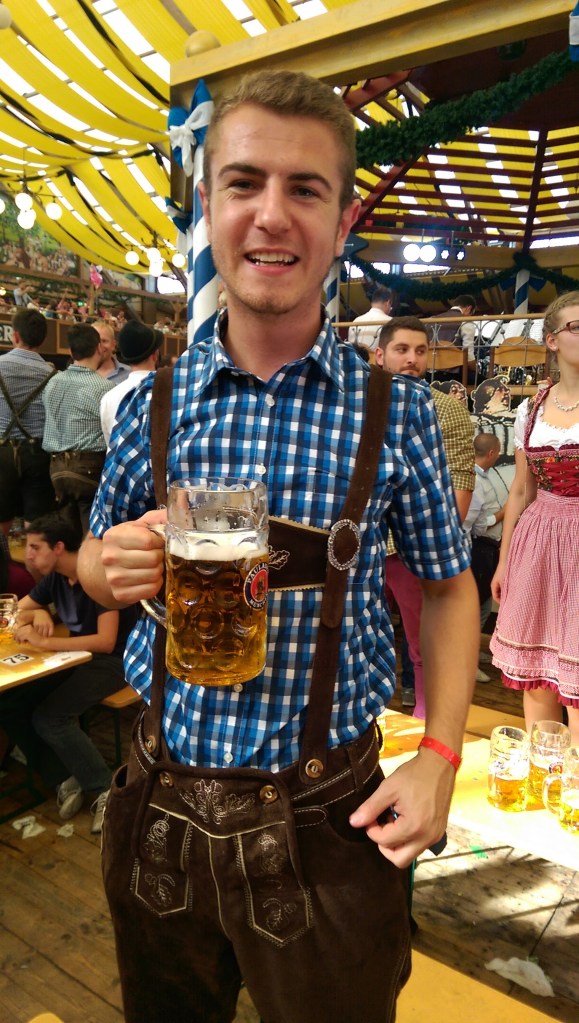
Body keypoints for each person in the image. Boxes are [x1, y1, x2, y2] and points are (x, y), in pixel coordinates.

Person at [77, 70, 478, 1023]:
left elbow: (451, 591)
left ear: (341, 225)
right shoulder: (152, 405)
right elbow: (98, 560)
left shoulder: (398, 411)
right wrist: (109, 562)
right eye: (243, 183)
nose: (271, 215)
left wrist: (442, 755)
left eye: (305, 189)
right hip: (159, 808)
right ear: (209, 207)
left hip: (327, 822)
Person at [5, 513, 136, 832]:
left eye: (36, 547)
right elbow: (14, 611)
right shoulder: (56, 579)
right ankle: (66, 777)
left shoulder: (97, 574)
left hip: (115, 663)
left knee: (51, 717)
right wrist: (35, 615)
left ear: (59, 547)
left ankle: (106, 792)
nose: (29, 556)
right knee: (10, 704)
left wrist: (45, 641)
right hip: (74, 657)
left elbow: (106, 642)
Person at [375, 316, 475, 717]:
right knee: (356, 636)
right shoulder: (357, 402)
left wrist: (439, 542)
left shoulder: (446, 407)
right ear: (380, 355)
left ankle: (425, 720)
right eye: (402, 349)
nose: (412, 359)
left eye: (420, 351)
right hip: (359, 544)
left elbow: (461, 475)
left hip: (410, 546)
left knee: (424, 642)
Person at [491, 291, 579, 743]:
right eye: (576, 327)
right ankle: (545, 780)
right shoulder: (533, 407)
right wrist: (505, 561)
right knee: (538, 680)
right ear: (551, 341)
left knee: (577, 688)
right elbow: (522, 491)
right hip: (539, 542)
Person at [42, 323, 114, 533]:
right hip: (89, 466)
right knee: (89, 534)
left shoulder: (52, 382)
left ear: (71, 351)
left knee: (65, 533)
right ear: (99, 348)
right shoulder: (104, 388)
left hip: (56, 466)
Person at [0, 308, 56, 535]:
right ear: (43, 339)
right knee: (37, 523)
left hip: (1, 450)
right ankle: (35, 568)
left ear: (15, 335)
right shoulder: (51, 373)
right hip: (38, 452)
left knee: (1, 520)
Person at [463, 433, 505, 683]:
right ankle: (466, 664)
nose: (499, 456)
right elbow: (478, 524)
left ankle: (474, 652)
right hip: (478, 549)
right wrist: (504, 514)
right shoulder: (474, 481)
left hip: (487, 550)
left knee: (484, 606)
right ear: (491, 454)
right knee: (474, 609)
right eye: (498, 452)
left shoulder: (482, 477)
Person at [99, 321, 163, 445]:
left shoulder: (108, 398)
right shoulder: (171, 391)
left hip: (121, 463)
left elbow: (110, 443)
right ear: (155, 355)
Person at [347, 285, 392, 353]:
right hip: (377, 362)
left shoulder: (356, 321)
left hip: (354, 361)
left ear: (372, 303)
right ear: (388, 303)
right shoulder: (390, 322)